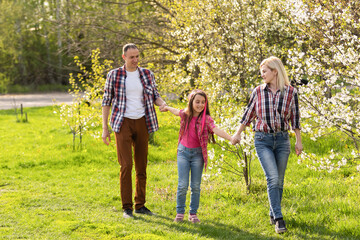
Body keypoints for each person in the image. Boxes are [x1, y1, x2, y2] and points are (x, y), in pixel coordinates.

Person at [231, 56, 303, 234]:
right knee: (272, 178)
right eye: (261, 72)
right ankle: (279, 219)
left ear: (275, 71)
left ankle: (273, 212)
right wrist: (237, 133)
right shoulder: (258, 91)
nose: (262, 75)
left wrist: (298, 141)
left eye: (264, 71)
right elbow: (249, 113)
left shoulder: (291, 92)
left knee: (279, 181)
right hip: (262, 139)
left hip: (283, 140)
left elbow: (295, 118)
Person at [102, 43, 167, 219]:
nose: (135, 60)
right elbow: (106, 101)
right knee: (126, 166)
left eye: (137, 56)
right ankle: (127, 208)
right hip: (122, 123)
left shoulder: (147, 74)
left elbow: (155, 95)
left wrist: (162, 104)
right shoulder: (114, 75)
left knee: (141, 166)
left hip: (142, 121)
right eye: (132, 57)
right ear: (124, 57)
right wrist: (104, 128)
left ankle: (140, 205)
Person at [164, 89, 232, 223]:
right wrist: (166, 107)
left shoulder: (206, 119)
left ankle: (193, 214)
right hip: (183, 152)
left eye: (203, 102)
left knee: (195, 185)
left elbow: (216, 130)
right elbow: (176, 111)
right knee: (182, 184)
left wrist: (231, 138)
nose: (200, 105)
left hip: (197, 155)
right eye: (197, 102)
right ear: (191, 102)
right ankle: (180, 212)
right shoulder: (186, 115)